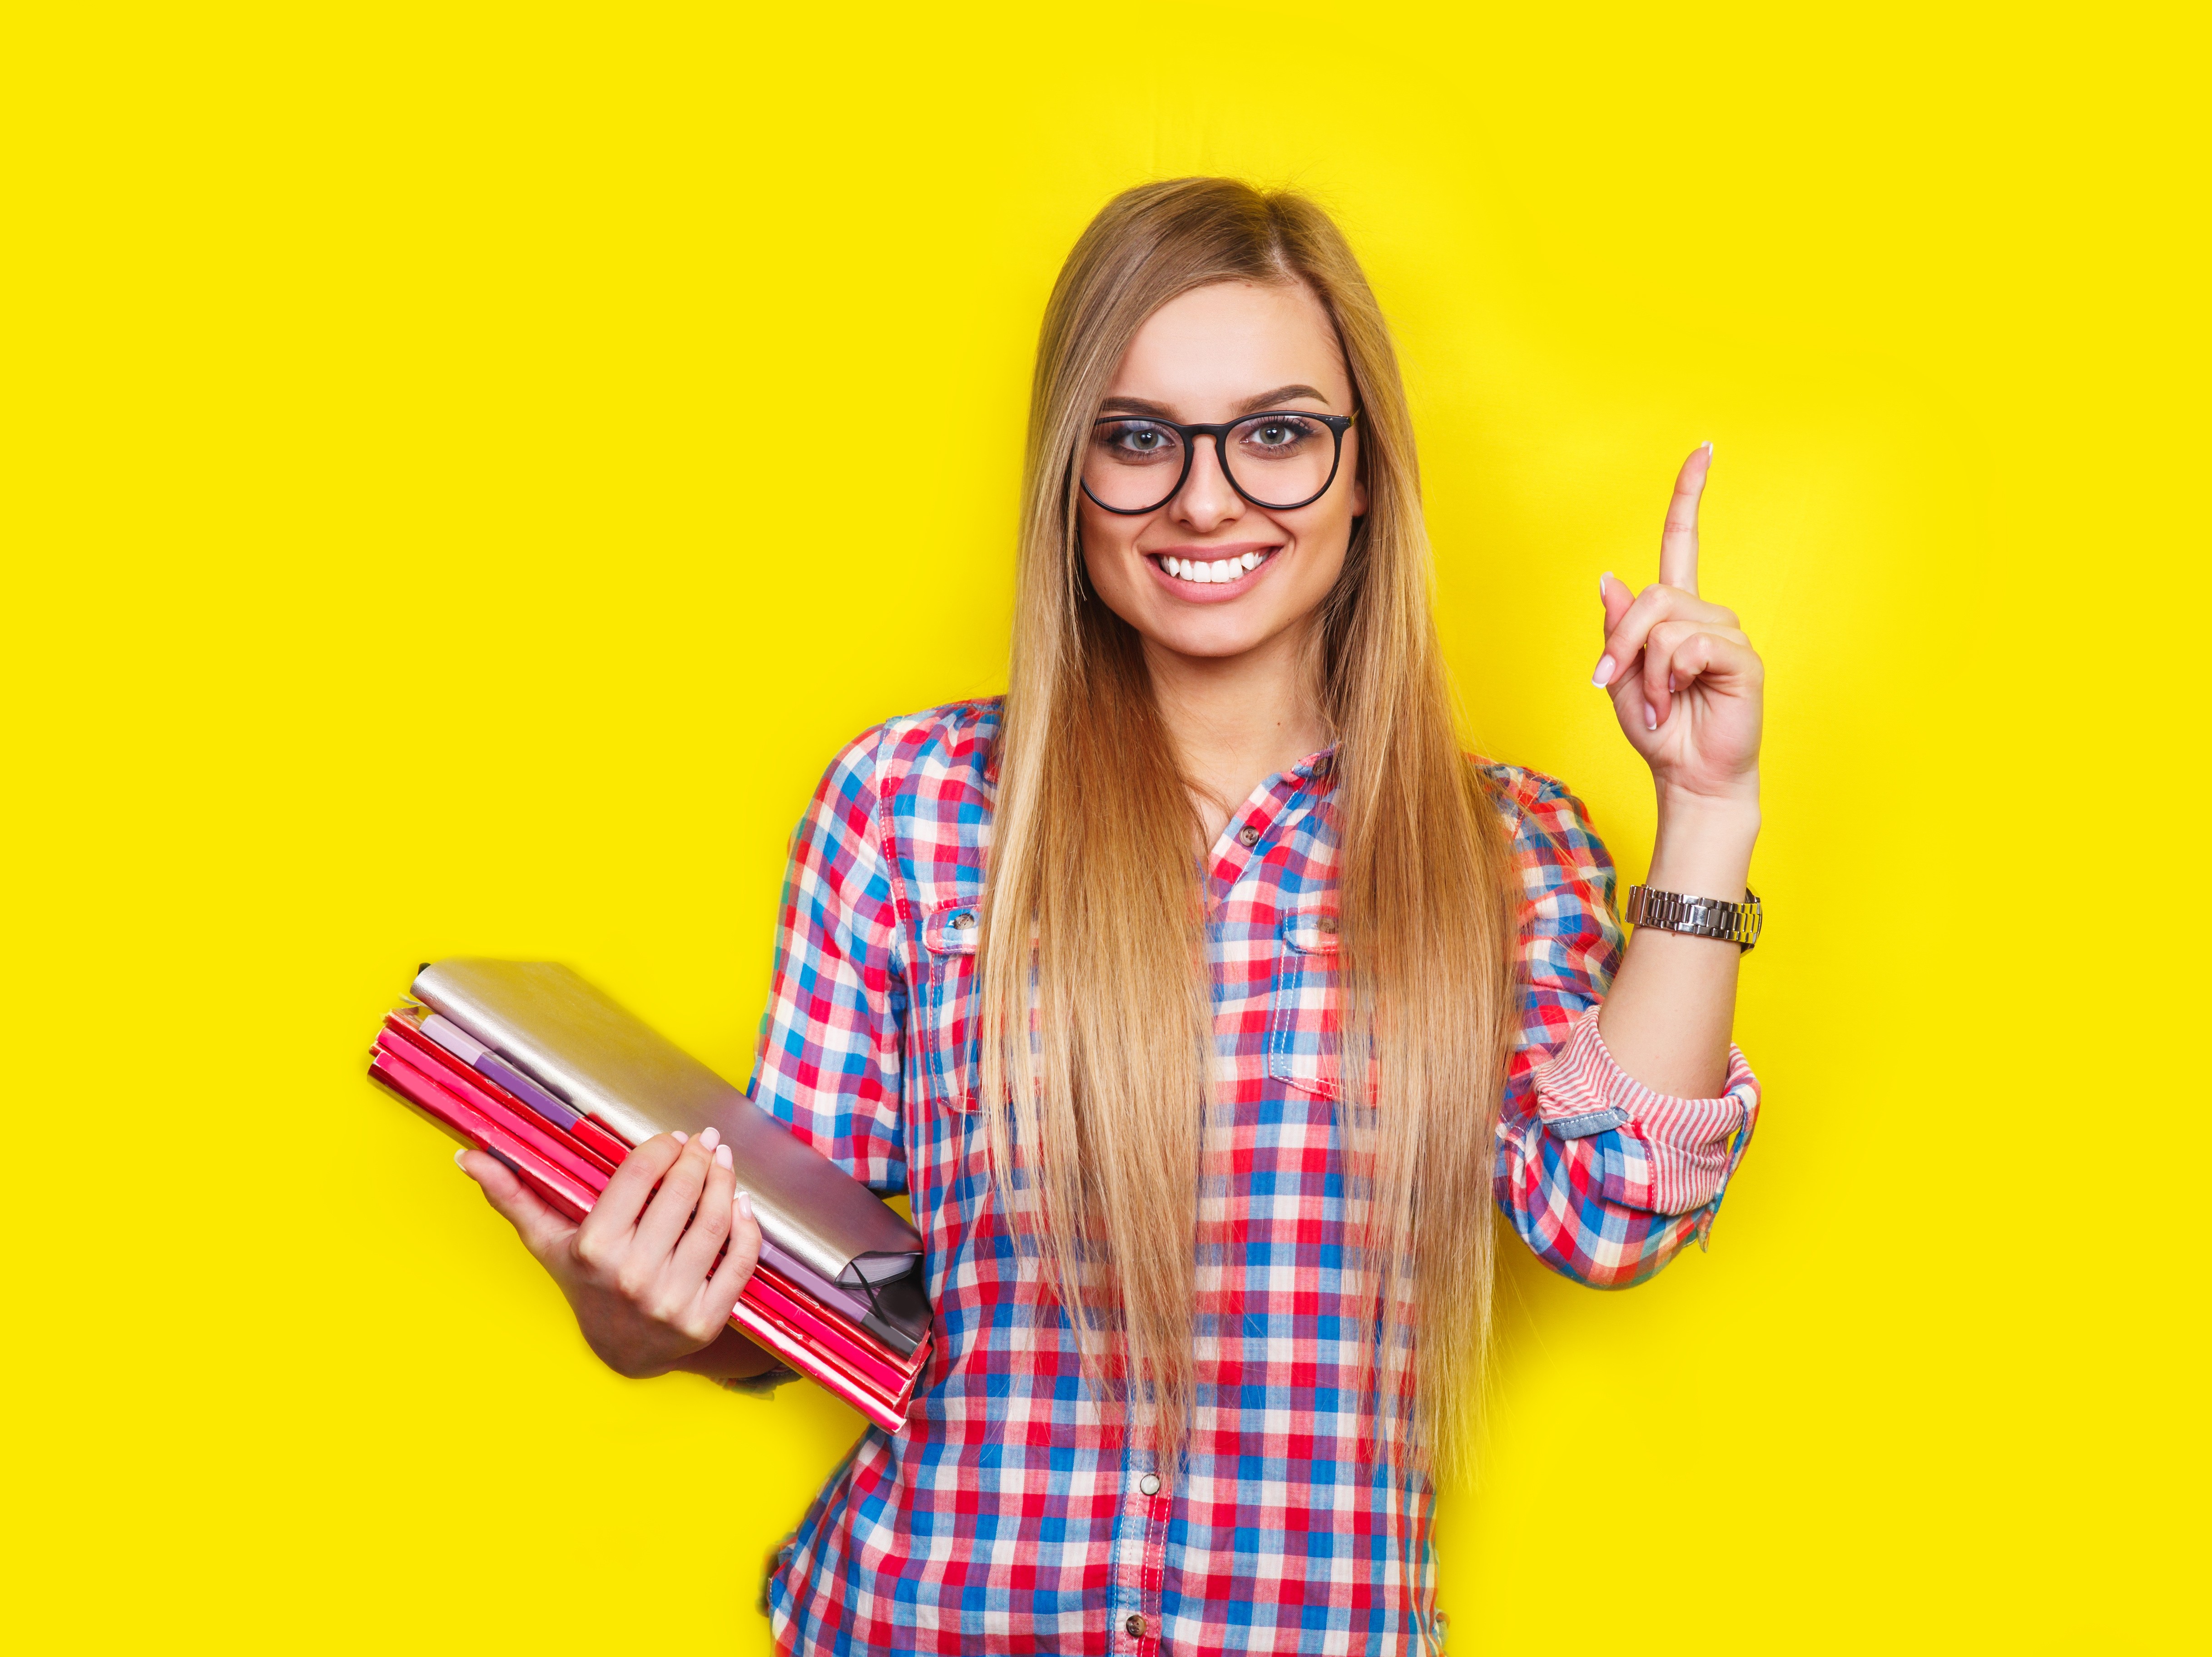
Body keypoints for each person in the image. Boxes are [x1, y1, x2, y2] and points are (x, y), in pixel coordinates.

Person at [454, 177, 1768, 1655]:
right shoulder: (909, 811)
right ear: (1071, 476)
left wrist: (1706, 818)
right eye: (1139, 439)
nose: (1206, 500)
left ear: (1362, 475)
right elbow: (816, 1290)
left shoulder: (1507, 851)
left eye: (1277, 434)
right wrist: (646, 1318)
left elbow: (1611, 1219)